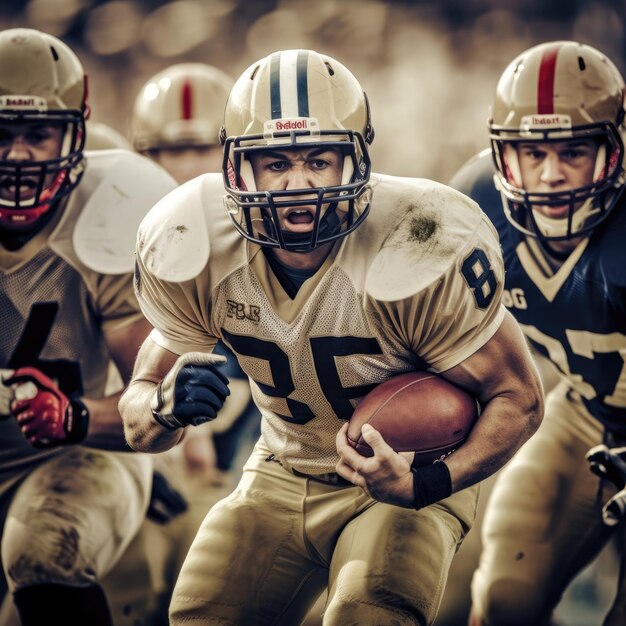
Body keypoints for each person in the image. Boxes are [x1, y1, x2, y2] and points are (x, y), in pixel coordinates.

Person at [119, 48, 543, 626]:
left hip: (403, 476)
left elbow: (519, 397)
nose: (298, 184)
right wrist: (164, 406)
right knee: (200, 615)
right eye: (275, 164)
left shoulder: (420, 238)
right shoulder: (194, 241)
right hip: (281, 467)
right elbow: (137, 405)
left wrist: (429, 482)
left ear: (355, 161)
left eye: (319, 160)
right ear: (237, 170)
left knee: (369, 615)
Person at [0, 28, 177, 626]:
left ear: (74, 133)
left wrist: (72, 415)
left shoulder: (112, 209)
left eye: (37, 133)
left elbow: (149, 401)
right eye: (2, 134)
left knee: (45, 552)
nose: (17, 156)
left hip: (75, 450)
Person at [449, 41, 626, 626]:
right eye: (533, 152)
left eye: (573, 151)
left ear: (612, 152)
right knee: (505, 597)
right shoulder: (476, 208)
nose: (550, 174)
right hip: (587, 414)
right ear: (503, 156)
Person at [129, 62, 262, 615]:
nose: (186, 168)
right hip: (151, 435)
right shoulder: (123, 233)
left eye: (203, 148)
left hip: (259, 424)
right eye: (168, 150)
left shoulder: (271, 222)